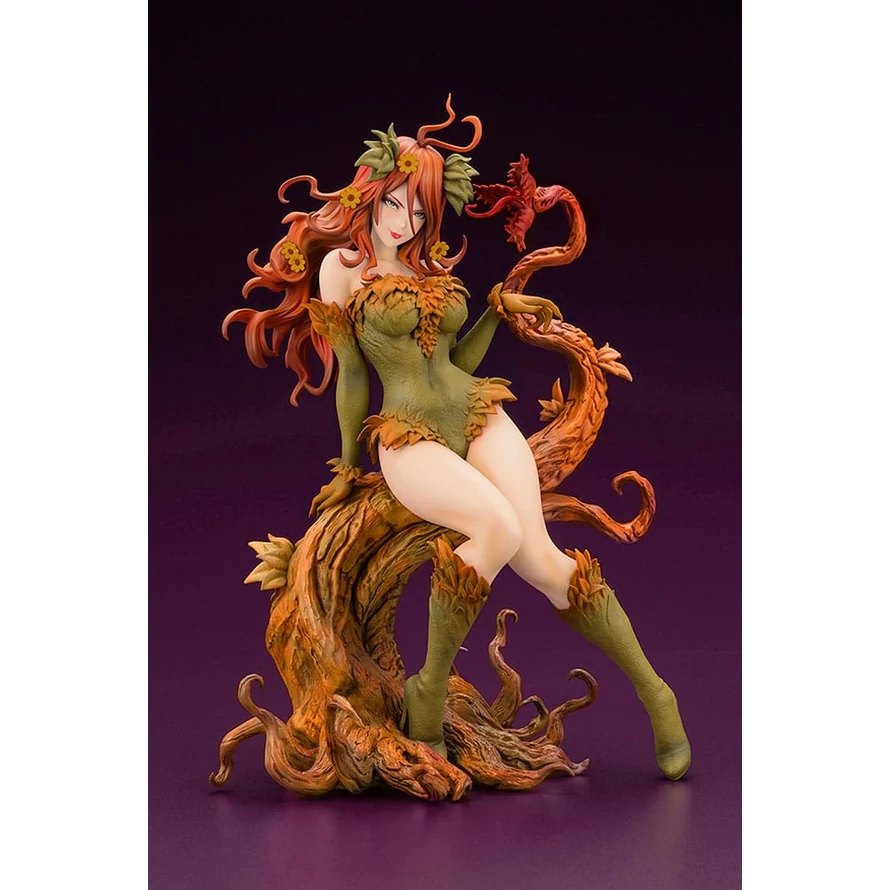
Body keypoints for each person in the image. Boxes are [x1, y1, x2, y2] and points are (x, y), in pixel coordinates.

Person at [223, 98, 691, 780]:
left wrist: (496, 309)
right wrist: (348, 467)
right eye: (396, 203)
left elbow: (457, 361)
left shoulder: (428, 269)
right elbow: (352, 375)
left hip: (474, 412)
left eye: (420, 211)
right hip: (407, 435)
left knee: (543, 559)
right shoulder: (341, 271)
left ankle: (655, 691)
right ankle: (429, 687)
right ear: (370, 193)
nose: (405, 221)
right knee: (496, 528)